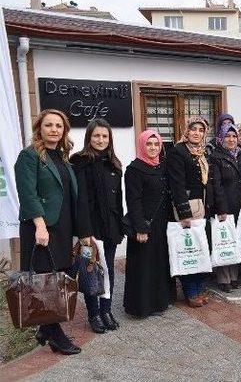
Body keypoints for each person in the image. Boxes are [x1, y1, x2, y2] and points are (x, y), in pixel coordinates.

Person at [15, 109, 81, 355]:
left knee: (54, 278)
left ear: (64, 130)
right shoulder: (29, 156)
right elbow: (28, 193)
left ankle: (45, 329)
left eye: (59, 126)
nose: (54, 129)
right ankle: (56, 336)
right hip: (41, 228)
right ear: (39, 129)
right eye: (49, 125)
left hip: (62, 227)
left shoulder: (62, 157)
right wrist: (40, 225)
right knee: (45, 281)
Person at [71, 119, 124, 333]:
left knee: (108, 271)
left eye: (104, 136)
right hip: (90, 229)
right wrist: (84, 232)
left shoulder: (114, 163)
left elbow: (118, 199)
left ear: (109, 138)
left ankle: (106, 311)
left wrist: (120, 226)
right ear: (89, 137)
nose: (101, 140)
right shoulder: (79, 162)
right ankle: (93, 315)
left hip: (110, 226)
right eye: (96, 136)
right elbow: (79, 200)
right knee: (91, 272)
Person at [123, 130, 171, 318]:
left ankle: (159, 302)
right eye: (149, 144)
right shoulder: (134, 169)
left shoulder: (161, 166)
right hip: (144, 224)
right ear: (142, 145)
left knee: (159, 263)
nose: (152, 148)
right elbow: (133, 201)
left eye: (156, 144)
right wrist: (141, 228)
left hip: (161, 224)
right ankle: (141, 307)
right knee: (143, 266)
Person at [167, 116, 210, 307]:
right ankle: (190, 291)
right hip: (187, 209)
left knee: (200, 248)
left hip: (202, 207)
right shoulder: (178, 151)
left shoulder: (201, 152)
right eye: (194, 129)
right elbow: (176, 185)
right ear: (187, 130)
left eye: (201, 130)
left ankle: (199, 287)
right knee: (188, 250)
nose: (197, 133)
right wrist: (184, 214)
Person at [209, 124, 241, 292]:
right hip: (225, 206)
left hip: (239, 204)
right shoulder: (216, 157)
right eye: (227, 137)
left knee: (235, 241)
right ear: (221, 139)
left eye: (234, 137)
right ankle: (224, 278)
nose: (231, 140)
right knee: (224, 242)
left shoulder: (240, 156)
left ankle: (234, 276)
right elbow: (216, 185)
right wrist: (221, 209)